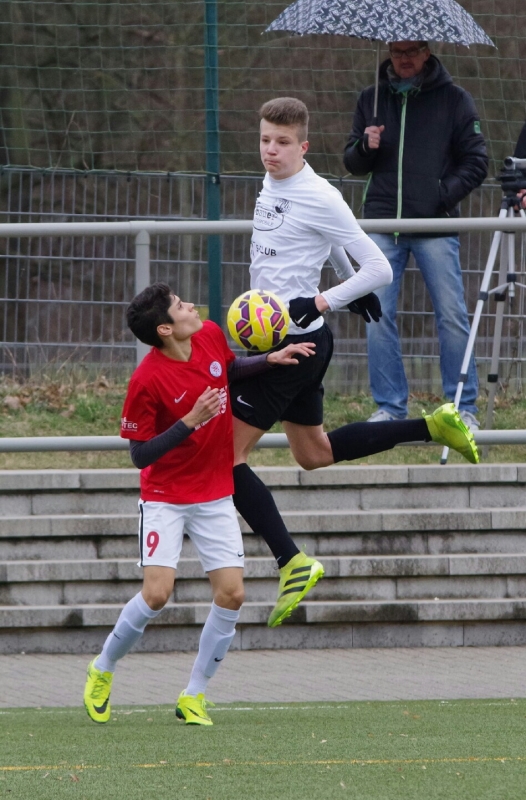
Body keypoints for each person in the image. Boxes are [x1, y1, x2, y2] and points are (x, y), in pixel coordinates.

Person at [230, 96, 479, 631]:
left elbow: (379, 269)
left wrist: (325, 299)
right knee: (313, 454)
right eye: (265, 140)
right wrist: (347, 283)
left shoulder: (320, 194)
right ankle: (432, 426)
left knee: (224, 459)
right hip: (291, 343)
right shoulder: (272, 182)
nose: (270, 151)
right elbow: (331, 248)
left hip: (292, 348)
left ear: (304, 146)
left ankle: (290, 561)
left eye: (282, 143)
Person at [83, 282, 315, 727]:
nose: (191, 306)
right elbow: (139, 455)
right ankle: (103, 667)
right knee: (157, 594)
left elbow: (227, 367)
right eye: (180, 305)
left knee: (232, 593)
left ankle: (194, 695)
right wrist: (190, 421)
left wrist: (268, 360)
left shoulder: (207, 333)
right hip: (166, 498)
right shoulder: (147, 380)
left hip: (214, 491)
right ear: (165, 329)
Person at [343, 41, 488, 430]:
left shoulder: (456, 99)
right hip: (381, 225)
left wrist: (439, 196)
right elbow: (352, 162)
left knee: (452, 316)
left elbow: (477, 162)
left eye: (412, 50)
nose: (404, 58)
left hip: (435, 227)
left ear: (427, 52)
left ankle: (462, 406)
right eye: (397, 51)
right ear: (389, 53)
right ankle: (390, 407)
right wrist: (365, 146)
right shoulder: (370, 98)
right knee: (377, 315)